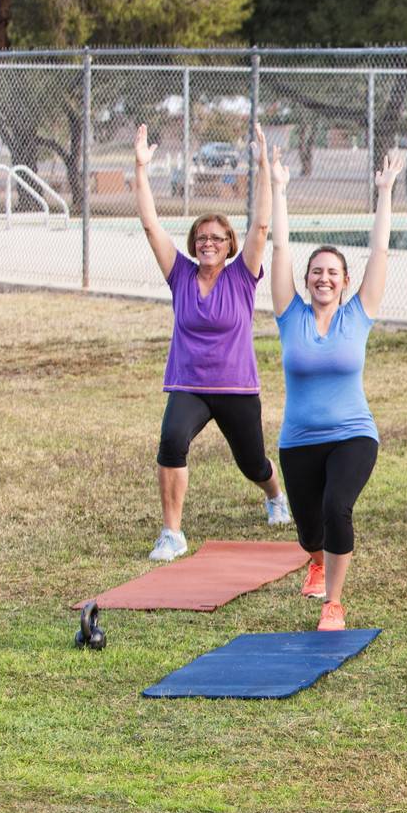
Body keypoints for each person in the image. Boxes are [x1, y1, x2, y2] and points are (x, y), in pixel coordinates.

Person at [133, 122, 290, 562]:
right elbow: (149, 226)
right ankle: (172, 533)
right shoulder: (180, 274)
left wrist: (262, 166)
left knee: (252, 462)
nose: (208, 244)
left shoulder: (242, 276)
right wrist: (142, 169)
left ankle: (274, 494)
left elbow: (261, 225)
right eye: (202, 238)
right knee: (171, 442)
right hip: (189, 384)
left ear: (228, 246)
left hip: (236, 386)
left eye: (217, 239)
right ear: (194, 244)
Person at [268, 142, 403, 632]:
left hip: (353, 433)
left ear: (345, 282)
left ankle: (334, 602)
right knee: (310, 530)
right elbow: (280, 248)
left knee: (336, 507)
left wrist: (385, 192)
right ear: (306, 281)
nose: (324, 278)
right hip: (299, 440)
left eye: (332, 273)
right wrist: (280, 189)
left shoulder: (358, 315)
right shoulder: (290, 316)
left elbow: (381, 251)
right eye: (316, 272)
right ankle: (317, 560)